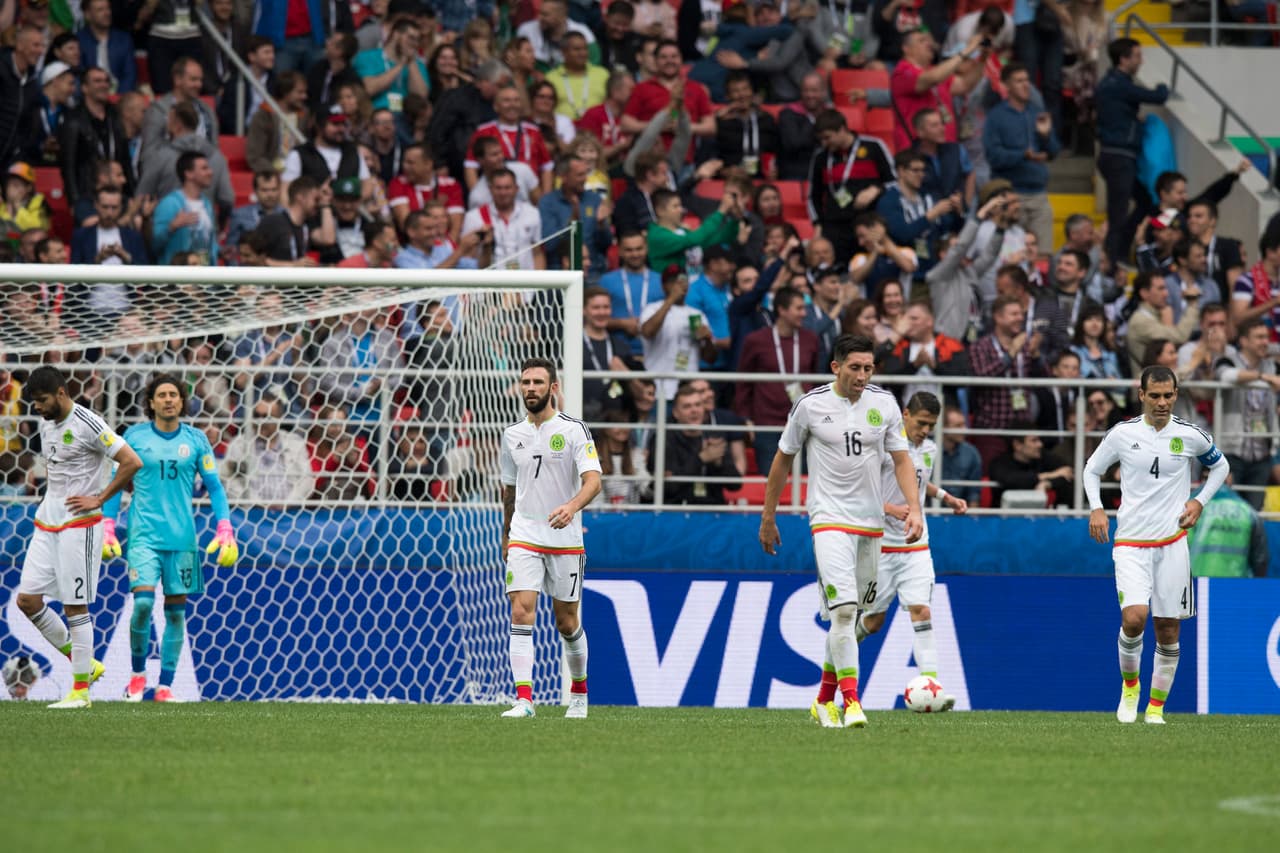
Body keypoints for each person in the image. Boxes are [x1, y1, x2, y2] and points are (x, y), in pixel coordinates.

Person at [759, 333, 923, 728]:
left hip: (871, 524)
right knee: (845, 609)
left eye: (868, 368)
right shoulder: (811, 406)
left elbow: (902, 461)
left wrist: (915, 508)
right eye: (855, 367)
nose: (863, 375)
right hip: (828, 519)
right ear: (836, 367)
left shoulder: (884, 405)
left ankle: (821, 700)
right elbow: (782, 461)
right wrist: (768, 517)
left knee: (849, 618)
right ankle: (851, 703)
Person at [1084, 364, 1230, 724]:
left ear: (1176, 395)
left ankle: (1156, 708)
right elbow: (1091, 469)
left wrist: (1199, 501)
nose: (1162, 402)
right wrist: (1097, 508)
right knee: (1135, 618)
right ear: (1142, 395)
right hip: (1131, 543)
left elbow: (1221, 466)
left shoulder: (1190, 435)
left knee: (1168, 628)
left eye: (1168, 395)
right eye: (1155, 396)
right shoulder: (1123, 434)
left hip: (1172, 543)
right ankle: (1130, 687)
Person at [97, 375, 237, 703]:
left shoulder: (197, 440)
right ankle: (136, 677)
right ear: (151, 402)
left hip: (183, 540)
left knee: (175, 613)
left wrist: (225, 526)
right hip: (144, 536)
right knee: (143, 604)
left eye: (174, 394)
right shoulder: (134, 436)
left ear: (182, 400)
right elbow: (118, 482)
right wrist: (107, 524)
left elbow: (215, 487)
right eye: (162, 395)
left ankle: (165, 686)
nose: (169, 400)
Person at [13, 365, 143, 709]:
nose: (37, 408)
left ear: (61, 393)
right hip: (47, 521)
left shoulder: (89, 423)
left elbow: (131, 461)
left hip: (80, 523)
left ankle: (81, 692)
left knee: (74, 606)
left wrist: (99, 498)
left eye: (41, 401)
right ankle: (84, 661)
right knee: (27, 600)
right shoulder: (47, 423)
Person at [498, 358, 601, 719]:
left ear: (553, 387)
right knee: (521, 610)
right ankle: (524, 700)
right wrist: (506, 531)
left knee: (567, 623)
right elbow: (509, 488)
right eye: (525, 382)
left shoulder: (574, 430)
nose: (530, 388)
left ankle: (579, 692)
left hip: (565, 538)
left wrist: (572, 507)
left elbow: (594, 481)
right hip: (525, 535)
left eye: (538, 382)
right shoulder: (512, 435)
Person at [856, 391, 966, 706]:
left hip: (916, 543)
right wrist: (890, 508)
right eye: (920, 423)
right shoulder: (883, 446)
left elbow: (919, 482)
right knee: (873, 623)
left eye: (931, 425)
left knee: (921, 609)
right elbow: (861, 488)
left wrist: (945, 496)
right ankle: (841, 648)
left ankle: (931, 688)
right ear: (905, 415)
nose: (925, 431)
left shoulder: (928, 448)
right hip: (881, 545)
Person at [1095, 38, 1169, 268]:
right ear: (1123, 59)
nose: (1141, 61)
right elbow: (1157, 96)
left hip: (1118, 155)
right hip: (1118, 156)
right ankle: (1113, 260)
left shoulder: (1112, 83)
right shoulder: (1118, 84)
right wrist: (1163, 87)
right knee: (1118, 212)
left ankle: (1121, 249)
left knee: (1145, 201)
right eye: (1137, 56)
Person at [735, 287, 822, 474]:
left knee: (805, 484)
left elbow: (817, 379)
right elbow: (744, 382)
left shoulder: (811, 339)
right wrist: (746, 419)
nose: (804, 313)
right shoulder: (756, 340)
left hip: (804, 425)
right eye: (798, 308)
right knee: (773, 483)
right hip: (768, 425)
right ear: (782, 310)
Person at [983, 62, 1060, 252]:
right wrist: (1022, 155)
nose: (1026, 85)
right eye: (1019, 81)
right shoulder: (996, 117)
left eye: (1027, 80)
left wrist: (1045, 136)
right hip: (1011, 195)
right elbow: (993, 156)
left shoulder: (1037, 113)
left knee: (1043, 254)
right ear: (1006, 86)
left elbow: (1054, 151)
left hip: (1039, 194)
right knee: (1011, 255)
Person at [807, 109, 895, 268]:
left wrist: (876, 189)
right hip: (836, 229)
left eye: (827, 137)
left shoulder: (873, 146)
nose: (824, 143)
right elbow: (813, 196)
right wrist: (818, 225)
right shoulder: (821, 158)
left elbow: (894, 183)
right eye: (821, 139)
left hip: (868, 225)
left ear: (842, 130)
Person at [1213, 318, 1280, 510]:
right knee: (1227, 510)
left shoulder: (1272, 365)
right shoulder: (1228, 360)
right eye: (1259, 337)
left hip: (1262, 453)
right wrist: (1262, 378)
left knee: (1254, 514)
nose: (1265, 342)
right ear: (1243, 341)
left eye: (1266, 337)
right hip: (1232, 452)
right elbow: (1226, 376)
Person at [890, 27, 985, 151]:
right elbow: (933, 78)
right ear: (906, 48)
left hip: (947, 146)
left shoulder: (933, 69)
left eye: (928, 40)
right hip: (917, 151)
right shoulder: (902, 72)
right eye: (921, 41)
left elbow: (964, 85)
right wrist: (968, 50)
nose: (928, 43)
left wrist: (984, 57)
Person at [135, 101, 235, 216]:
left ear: (177, 125)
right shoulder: (217, 157)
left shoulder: (160, 156)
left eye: (169, 120)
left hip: (168, 227)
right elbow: (227, 199)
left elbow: (142, 195)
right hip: (205, 226)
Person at [652, 382, 741, 505]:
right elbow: (669, 488)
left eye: (698, 405)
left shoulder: (714, 435)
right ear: (675, 413)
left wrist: (719, 463)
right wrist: (701, 459)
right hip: (675, 513)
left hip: (713, 512)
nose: (694, 410)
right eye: (687, 406)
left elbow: (735, 485)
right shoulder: (664, 438)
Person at [57, 67, 130, 212]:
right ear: (84, 88)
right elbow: (68, 165)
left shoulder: (114, 115)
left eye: (106, 81)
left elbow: (125, 158)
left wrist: (131, 193)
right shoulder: (73, 119)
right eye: (97, 81)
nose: (103, 85)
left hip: (116, 193)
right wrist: (74, 200)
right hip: (88, 194)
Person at [640, 264, 717, 400]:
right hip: (658, 388)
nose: (680, 285)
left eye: (683, 281)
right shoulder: (651, 309)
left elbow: (710, 359)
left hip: (689, 392)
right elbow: (647, 332)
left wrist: (707, 339)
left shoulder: (697, 314)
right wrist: (670, 299)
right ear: (664, 286)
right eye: (673, 282)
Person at [460, 168, 546, 271]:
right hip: (491, 284)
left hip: (526, 283)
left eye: (507, 188)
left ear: (516, 188)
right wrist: (487, 246)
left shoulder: (532, 213)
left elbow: (537, 252)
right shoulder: (474, 217)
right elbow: (469, 260)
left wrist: (538, 285)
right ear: (490, 189)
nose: (503, 193)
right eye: (498, 188)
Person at [646, 186, 738, 276]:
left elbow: (714, 240)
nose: (681, 210)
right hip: (672, 288)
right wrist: (721, 211)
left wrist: (736, 219)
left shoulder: (682, 231)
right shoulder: (657, 236)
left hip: (695, 286)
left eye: (680, 205)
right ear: (660, 211)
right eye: (675, 206)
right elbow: (693, 240)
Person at [1187, 479, 1270, 578]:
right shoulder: (1248, 512)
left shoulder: (1190, 511)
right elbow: (1260, 559)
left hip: (1198, 584)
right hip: (1236, 585)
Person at [1124, 271, 1200, 378]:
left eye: (1165, 288)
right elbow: (1180, 336)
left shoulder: (1157, 316)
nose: (1166, 294)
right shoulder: (1140, 321)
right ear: (1144, 293)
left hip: (1162, 382)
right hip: (1147, 389)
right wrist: (1192, 304)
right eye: (1160, 289)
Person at [151, 151, 218, 265]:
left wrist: (219, 252)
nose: (210, 172)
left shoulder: (207, 205)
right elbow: (154, 244)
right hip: (176, 277)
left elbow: (210, 243)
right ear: (189, 174)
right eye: (204, 168)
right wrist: (172, 227)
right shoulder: (169, 204)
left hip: (203, 278)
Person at [989, 422, 1074, 506]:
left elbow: (1067, 472)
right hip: (1003, 517)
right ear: (1017, 445)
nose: (1040, 444)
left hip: (1040, 517)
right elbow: (1012, 480)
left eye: (1039, 440)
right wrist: (1048, 475)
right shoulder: (999, 463)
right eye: (1034, 441)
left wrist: (1047, 483)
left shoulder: (1043, 457)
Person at [912, 107, 975, 206]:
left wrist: (966, 204)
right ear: (920, 132)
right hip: (928, 215)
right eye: (934, 126)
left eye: (942, 124)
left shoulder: (956, 150)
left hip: (957, 213)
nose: (942, 129)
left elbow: (970, 174)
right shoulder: (911, 157)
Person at [1230, 228, 1280, 340]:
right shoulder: (1247, 280)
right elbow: (1238, 318)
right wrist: (1274, 302)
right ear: (1270, 252)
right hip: (1261, 348)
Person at [941, 406, 982, 505]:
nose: (964, 429)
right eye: (958, 426)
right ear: (944, 427)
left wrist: (972, 519)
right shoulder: (928, 451)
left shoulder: (971, 453)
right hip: (928, 512)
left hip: (961, 513)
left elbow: (974, 495)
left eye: (964, 424)